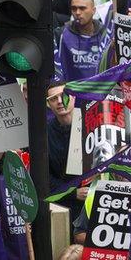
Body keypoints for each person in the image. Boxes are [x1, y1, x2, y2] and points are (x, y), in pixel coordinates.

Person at [46, 82, 83, 231]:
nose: (60, 102)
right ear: (49, 104)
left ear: (73, 97)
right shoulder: (44, 133)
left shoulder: (90, 122)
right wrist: (73, 193)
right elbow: (43, 176)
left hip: (91, 204)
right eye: (54, 99)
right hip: (60, 207)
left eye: (64, 96)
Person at [54, 0, 109, 81]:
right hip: (70, 92)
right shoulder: (60, 34)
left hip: (100, 91)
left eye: (82, 8)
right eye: (74, 8)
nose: (78, 12)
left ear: (93, 10)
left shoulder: (106, 34)